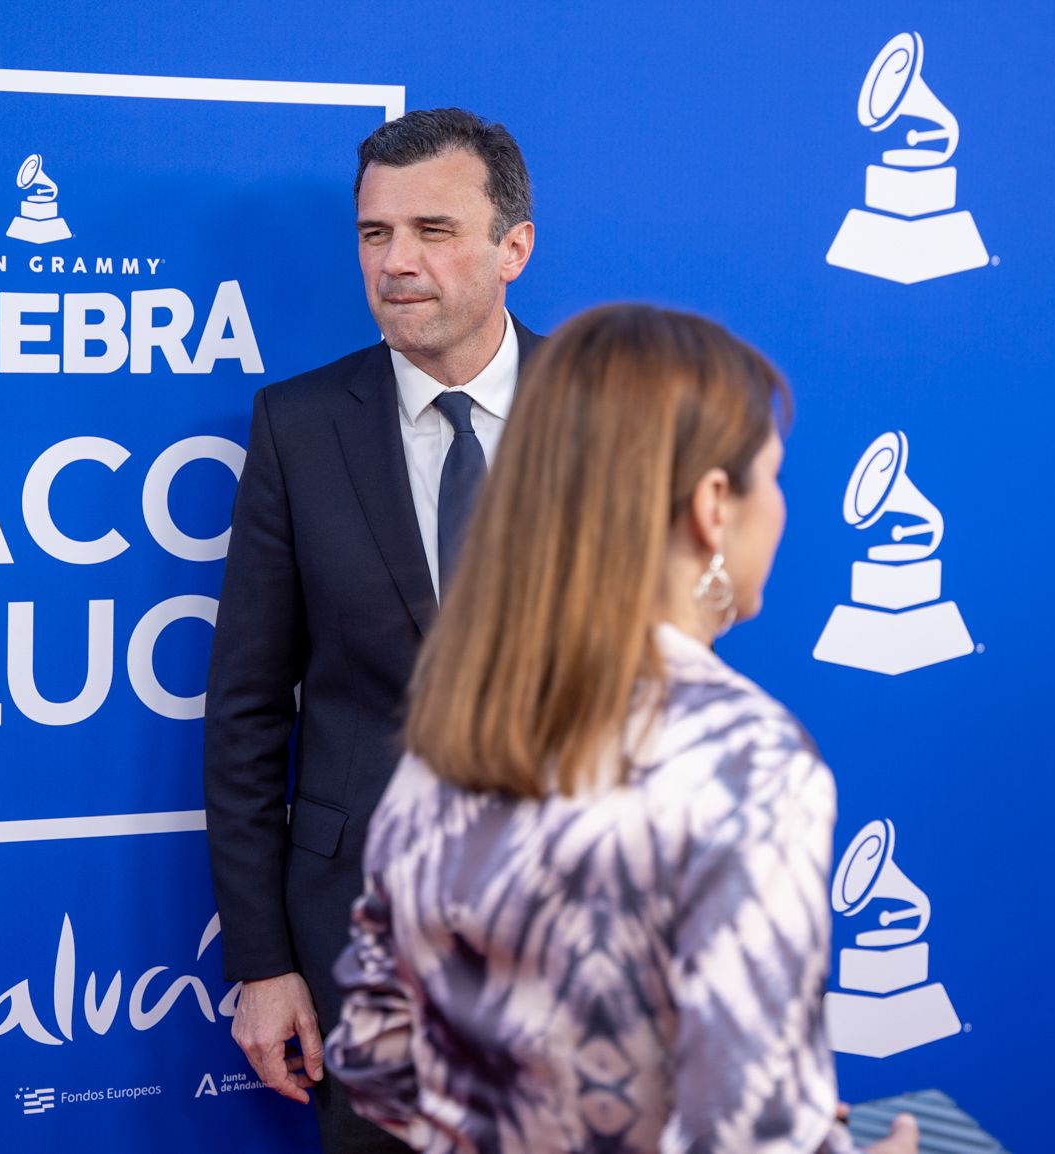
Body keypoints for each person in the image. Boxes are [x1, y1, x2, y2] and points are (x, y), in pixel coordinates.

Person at [324, 305, 919, 1154]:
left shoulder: (451, 734)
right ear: (713, 506)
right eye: (773, 476)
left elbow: (376, 1056)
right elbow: (746, 1138)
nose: (782, 508)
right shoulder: (745, 760)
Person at [202, 108, 542, 1153]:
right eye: (374, 233)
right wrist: (264, 964)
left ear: (512, 248)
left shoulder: (607, 415)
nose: (397, 261)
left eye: (433, 230)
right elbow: (247, 709)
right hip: (362, 945)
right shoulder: (298, 427)